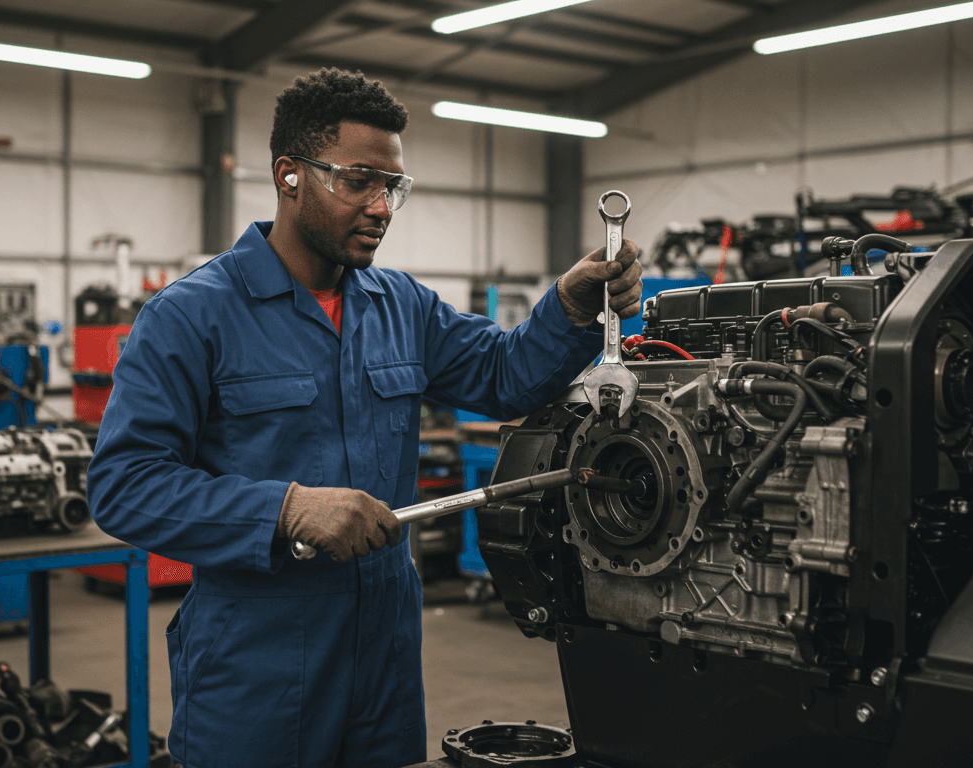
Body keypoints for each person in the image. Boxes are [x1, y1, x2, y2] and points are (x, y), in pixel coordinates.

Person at [87, 68, 643, 768]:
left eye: (394, 188)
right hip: (256, 666)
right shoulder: (192, 316)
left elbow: (506, 377)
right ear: (290, 176)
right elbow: (123, 485)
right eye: (358, 181)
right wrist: (285, 509)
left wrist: (568, 304)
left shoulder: (400, 307)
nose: (382, 206)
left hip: (383, 658)